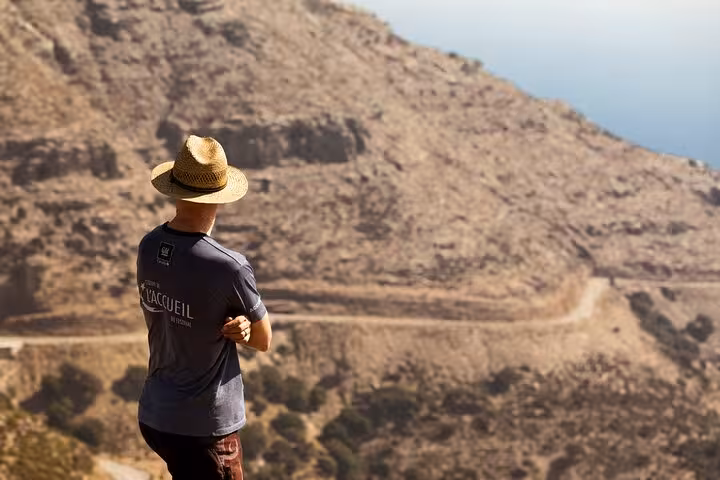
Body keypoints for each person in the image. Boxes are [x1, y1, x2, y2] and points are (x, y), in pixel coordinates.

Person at [136, 135, 272, 480]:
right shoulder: (229, 266)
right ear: (220, 198)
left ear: (175, 190)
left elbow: (184, 307)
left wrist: (234, 323)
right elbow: (263, 339)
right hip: (204, 425)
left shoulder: (149, 246)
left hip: (156, 415)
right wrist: (243, 330)